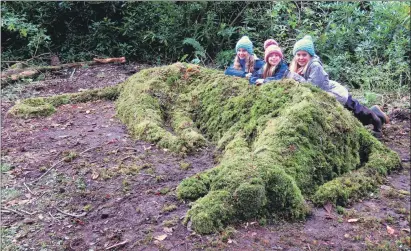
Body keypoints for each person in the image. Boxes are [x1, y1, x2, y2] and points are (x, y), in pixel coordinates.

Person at [288, 35, 389, 138]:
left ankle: (377, 122)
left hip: (335, 93)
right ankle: (375, 112)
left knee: (356, 111)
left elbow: (313, 86)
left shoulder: (315, 65)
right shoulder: (300, 66)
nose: (301, 58)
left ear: (310, 55)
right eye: (298, 54)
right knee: (354, 112)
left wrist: (296, 78)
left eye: (304, 54)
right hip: (326, 93)